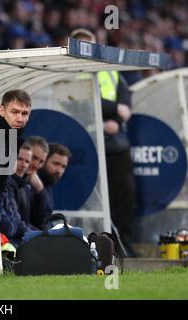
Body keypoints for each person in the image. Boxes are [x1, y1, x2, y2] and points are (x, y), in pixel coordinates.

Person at [70, 29, 136, 257]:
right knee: (90, 200)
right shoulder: (68, 72)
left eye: (91, 46)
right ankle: (92, 245)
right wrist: (112, 109)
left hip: (115, 145)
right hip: (86, 146)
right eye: (82, 47)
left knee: (124, 195)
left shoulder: (110, 72)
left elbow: (126, 108)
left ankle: (122, 244)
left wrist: (115, 120)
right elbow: (74, 102)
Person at [0, 143, 38, 248]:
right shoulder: (8, 184)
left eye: (27, 161)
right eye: (20, 159)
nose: (23, 165)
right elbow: (9, 227)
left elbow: (19, 221)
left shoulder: (23, 186)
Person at [33, 143, 71, 228]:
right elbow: (39, 221)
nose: (59, 170)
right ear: (43, 161)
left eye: (63, 166)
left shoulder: (47, 185)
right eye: (56, 164)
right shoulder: (31, 184)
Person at [19, 136, 49, 226]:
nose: (36, 165)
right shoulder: (10, 181)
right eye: (34, 158)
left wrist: (40, 191)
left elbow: (41, 221)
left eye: (41, 161)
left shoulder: (32, 186)